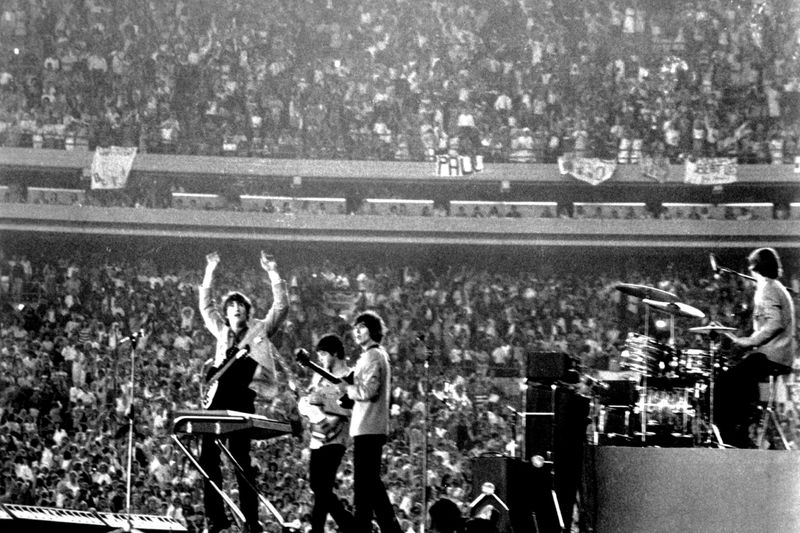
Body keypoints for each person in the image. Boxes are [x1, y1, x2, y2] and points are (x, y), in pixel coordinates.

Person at [198, 250, 288, 533]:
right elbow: (205, 306)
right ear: (226, 313)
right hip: (218, 400)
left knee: (240, 460)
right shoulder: (221, 331)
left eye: (241, 305)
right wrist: (210, 271)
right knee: (207, 458)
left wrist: (273, 272)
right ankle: (216, 517)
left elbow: (281, 307)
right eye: (231, 305)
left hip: (242, 398)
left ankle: (250, 519)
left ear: (247, 311)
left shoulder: (260, 330)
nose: (236, 308)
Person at [715, 247, 797, 448]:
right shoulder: (775, 286)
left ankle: (733, 437)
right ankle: (743, 430)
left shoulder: (768, 288)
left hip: (772, 356)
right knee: (741, 378)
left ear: (753, 268)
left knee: (724, 382)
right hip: (776, 355)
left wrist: (750, 342)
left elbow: (775, 323)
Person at [339, 311, 402, 533]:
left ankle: (378, 527)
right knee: (369, 484)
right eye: (355, 327)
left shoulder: (373, 356)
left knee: (366, 485)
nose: (356, 331)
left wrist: (349, 389)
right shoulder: (372, 356)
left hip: (369, 426)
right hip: (368, 426)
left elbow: (369, 390)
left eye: (362, 327)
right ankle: (386, 527)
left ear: (373, 330)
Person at [298, 334, 355, 533]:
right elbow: (312, 400)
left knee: (323, 487)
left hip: (337, 436)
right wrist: (305, 405)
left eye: (324, 354)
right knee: (318, 486)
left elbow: (347, 406)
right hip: (317, 437)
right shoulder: (319, 376)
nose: (321, 359)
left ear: (336, 353)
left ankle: (325, 527)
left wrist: (321, 409)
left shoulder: (348, 375)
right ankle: (344, 524)